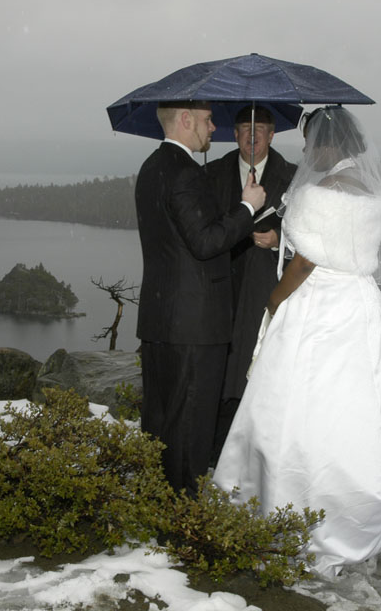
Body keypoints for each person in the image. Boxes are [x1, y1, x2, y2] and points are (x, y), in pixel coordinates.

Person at [213, 105, 381, 575]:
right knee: (356, 407)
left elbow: (305, 264)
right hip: (361, 307)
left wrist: (274, 301)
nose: (306, 149)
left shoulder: (321, 193)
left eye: (310, 141)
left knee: (303, 409)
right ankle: (364, 509)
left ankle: (303, 509)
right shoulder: (371, 194)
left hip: (318, 310)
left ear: (325, 144)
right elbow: (347, 249)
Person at [135, 100, 266, 494]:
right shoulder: (187, 173)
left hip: (161, 317)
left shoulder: (151, 168)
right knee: (191, 425)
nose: (214, 129)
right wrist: (248, 208)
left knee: (160, 420)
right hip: (195, 324)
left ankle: (157, 502)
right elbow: (206, 242)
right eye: (208, 121)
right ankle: (183, 517)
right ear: (186, 120)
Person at [205, 106, 296, 461]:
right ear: (234, 133)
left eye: (260, 128)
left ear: (273, 135)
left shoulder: (293, 178)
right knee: (220, 372)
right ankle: (216, 451)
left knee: (259, 374)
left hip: (267, 292)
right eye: (245, 128)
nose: (252, 135)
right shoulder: (211, 174)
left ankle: (256, 452)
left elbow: (311, 241)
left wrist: (280, 240)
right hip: (219, 289)